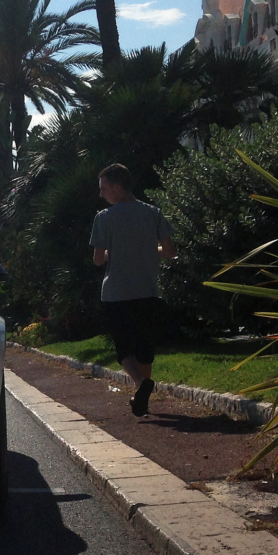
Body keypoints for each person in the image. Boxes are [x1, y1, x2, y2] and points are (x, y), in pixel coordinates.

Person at [89, 163, 176, 416]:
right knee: (145, 347)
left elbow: (97, 259)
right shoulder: (153, 213)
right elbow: (170, 252)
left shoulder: (103, 218)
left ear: (117, 188)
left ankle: (141, 384)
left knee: (125, 350)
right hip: (148, 290)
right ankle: (142, 398)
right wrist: (148, 251)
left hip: (116, 293)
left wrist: (113, 253)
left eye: (104, 189)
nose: (102, 194)